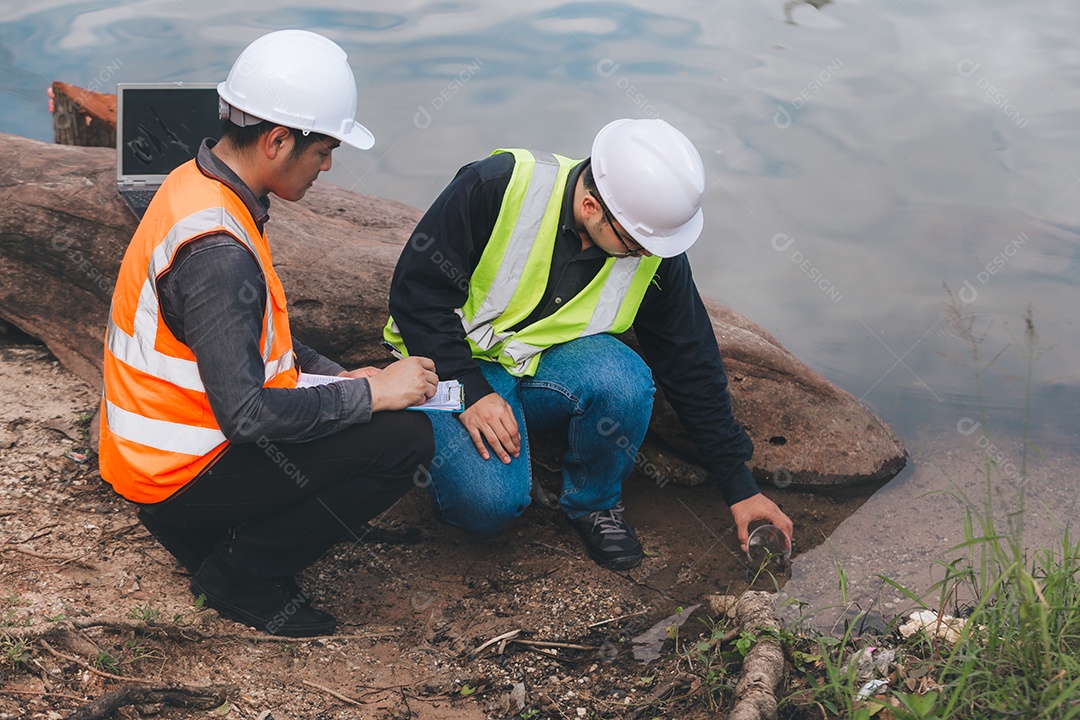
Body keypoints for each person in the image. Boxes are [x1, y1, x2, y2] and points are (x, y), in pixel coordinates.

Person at [99, 30, 439, 637]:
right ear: (278, 140)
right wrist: (371, 395)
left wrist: (338, 376)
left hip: (154, 459)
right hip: (177, 476)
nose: (327, 166)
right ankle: (240, 575)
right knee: (406, 440)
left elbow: (253, 335)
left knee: (373, 414)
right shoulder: (219, 253)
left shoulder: (197, 183)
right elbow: (247, 417)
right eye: (323, 150)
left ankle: (224, 534)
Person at [384, 118, 793, 570]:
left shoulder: (649, 247)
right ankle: (436, 440)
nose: (645, 255)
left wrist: (739, 487)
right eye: (634, 244)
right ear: (590, 206)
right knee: (488, 506)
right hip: (447, 366)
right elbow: (416, 294)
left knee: (626, 380)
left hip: (537, 363)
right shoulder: (497, 185)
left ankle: (593, 503)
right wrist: (471, 391)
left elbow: (689, 359)